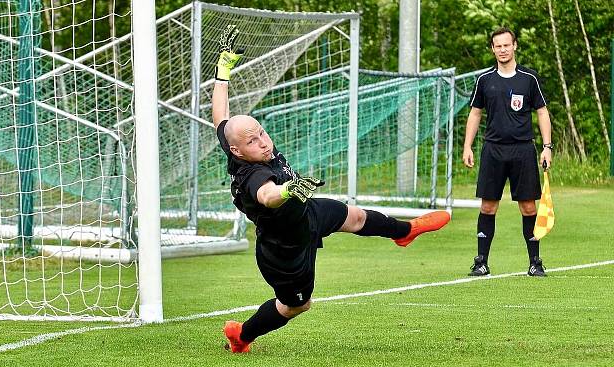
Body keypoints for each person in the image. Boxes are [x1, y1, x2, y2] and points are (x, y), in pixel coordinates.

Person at [212, 25, 451, 353]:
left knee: (354, 217)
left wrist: (223, 72)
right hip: (285, 249)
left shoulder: (235, 141)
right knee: (296, 306)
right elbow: (267, 195)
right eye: (253, 141)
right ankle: (242, 337)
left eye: (262, 133)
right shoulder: (251, 174)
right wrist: (290, 190)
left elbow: (220, 119)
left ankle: (405, 231)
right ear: (238, 152)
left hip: (307, 213)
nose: (264, 142)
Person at [462, 27, 553, 277]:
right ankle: (481, 262)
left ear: (514, 46)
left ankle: (535, 262)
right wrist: (467, 146)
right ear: (492, 49)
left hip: (523, 149)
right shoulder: (485, 80)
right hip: (493, 149)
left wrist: (547, 147)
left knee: (528, 208)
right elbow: (475, 113)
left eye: (506, 45)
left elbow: (542, 112)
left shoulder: (529, 78)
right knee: (488, 207)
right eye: (497, 46)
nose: (502, 50)